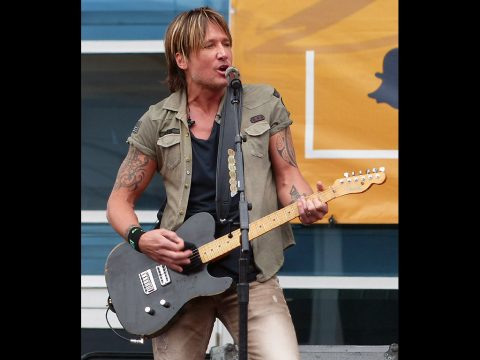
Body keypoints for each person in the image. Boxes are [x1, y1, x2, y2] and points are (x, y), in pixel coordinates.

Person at [106, 6, 328, 360]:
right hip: (180, 275)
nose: (223, 52)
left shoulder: (263, 103)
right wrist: (141, 238)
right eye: (209, 46)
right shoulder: (158, 119)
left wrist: (305, 204)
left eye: (226, 43)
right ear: (181, 58)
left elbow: (289, 177)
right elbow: (119, 200)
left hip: (251, 271)